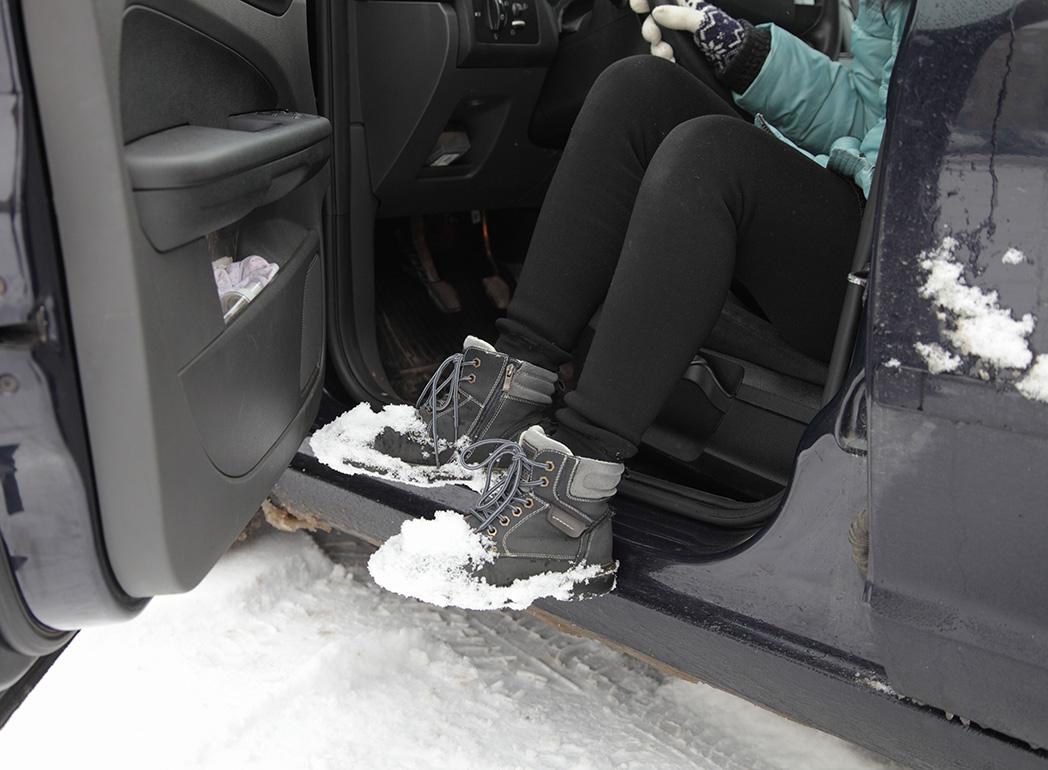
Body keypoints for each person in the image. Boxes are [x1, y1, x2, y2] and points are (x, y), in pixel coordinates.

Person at [373, 0, 909, 593]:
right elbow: (876, 106)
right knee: (638, 88)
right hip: (871, 196)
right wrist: (754, 58)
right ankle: (494, 406)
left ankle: (566, 514)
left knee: (711, 159)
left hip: (910, 261)